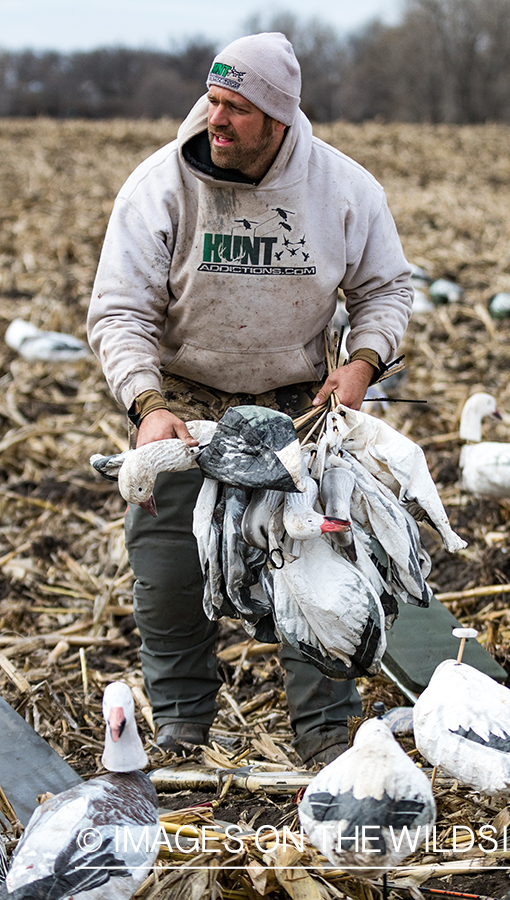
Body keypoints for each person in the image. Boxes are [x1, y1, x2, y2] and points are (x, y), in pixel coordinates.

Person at [87, 32, 414, 763]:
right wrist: (147, 405)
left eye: (236, 107)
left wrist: (362, 364)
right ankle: (181, 725)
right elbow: (120, 312)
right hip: (183, 404)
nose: (217, 119)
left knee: (319, 565)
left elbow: (387, 288)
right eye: (212, 101)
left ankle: (326, 731)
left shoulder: (343, 190)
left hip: (299, 408)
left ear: (279, 117)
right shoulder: (160, 186)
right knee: (170, 572)